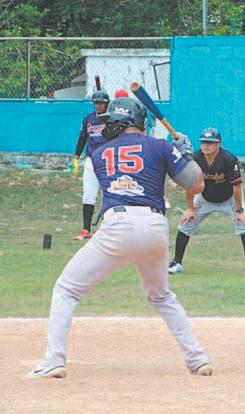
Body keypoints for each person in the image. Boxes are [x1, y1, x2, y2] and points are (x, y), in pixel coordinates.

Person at [28, 98, 212, 378]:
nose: (106, 126)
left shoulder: (99, 153)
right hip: (155, 227)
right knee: (161, 296)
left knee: (67, 289)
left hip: (118, 224)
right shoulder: (161, 146)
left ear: (119, 123)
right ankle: (198, 359)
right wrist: (186, 153)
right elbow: (196, 183)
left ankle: (53, 360)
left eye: (110, 122)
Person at [168, 127, 245, 275]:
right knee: (186, 224)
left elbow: (237, 186)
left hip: (229, 198)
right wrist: (190, 208)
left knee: (244, 225)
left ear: (218, 144)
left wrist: (239, 210)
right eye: (203, 142)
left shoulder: (229, 159)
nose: (206, 145)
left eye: (210, 142)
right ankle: (176, 263)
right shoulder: (195, 158)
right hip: (205, 198)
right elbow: (189, 184)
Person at [72, 90, 110, 240]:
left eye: (101, 103)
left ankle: (107, 229)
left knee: (108, 194)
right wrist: (76, 155)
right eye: (96, 103)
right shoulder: (88, 119)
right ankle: (86, 230)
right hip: (91, 159)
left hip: (107, 160)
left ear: (106, 104)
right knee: (88, 195)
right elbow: (83, 137)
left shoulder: (111, 119)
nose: (98, 106)